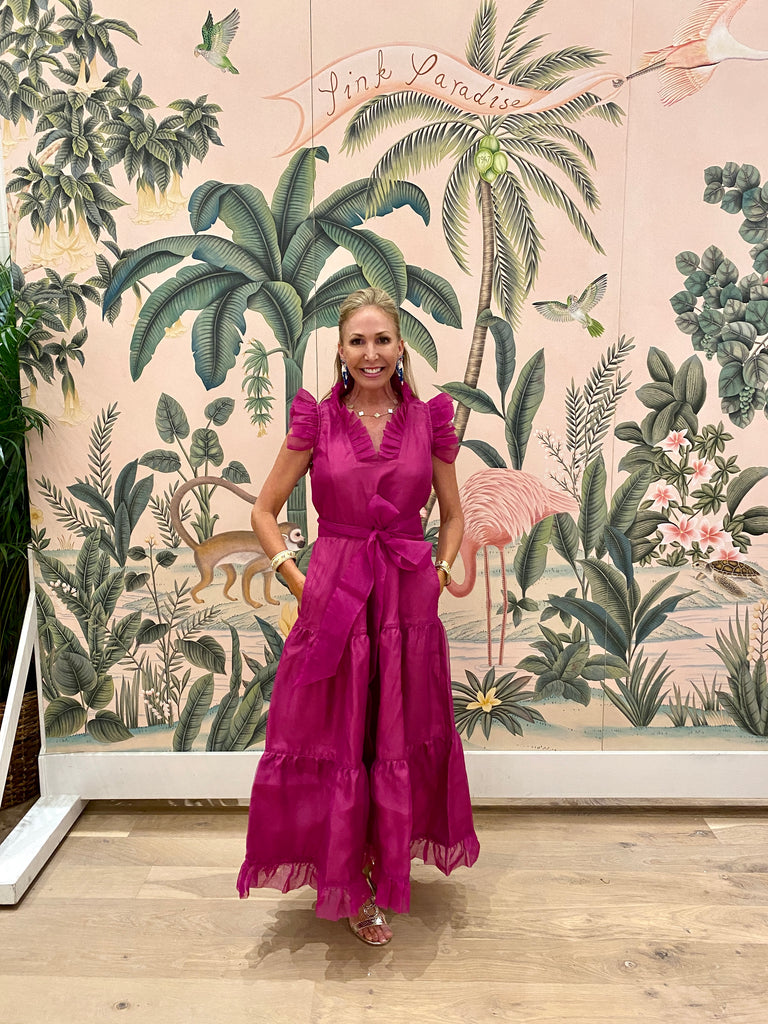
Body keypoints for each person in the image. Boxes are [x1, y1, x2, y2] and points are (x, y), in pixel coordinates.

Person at [237, 287, 479, 945]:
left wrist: (437, 574)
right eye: (357, 341)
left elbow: (453, 516)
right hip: (335, 594)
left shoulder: (429, 420)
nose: (371, 353)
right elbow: (263, 510)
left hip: (405, 599)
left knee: (394, 735)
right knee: (337, 736)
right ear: (341, 351)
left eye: (382, 340)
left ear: (400, 347)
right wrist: (297, 579)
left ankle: (379, 867)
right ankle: (349, 881)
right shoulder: (317, 419)